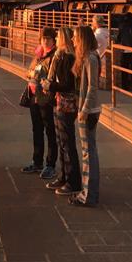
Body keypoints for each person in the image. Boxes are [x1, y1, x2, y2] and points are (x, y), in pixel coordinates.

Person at [41, 27, 80, 196]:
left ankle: (73, 181)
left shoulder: (68, 57)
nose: (55, 38)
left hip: (66, 103)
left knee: (67, 142)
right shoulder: (60, 55)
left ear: (63, 38)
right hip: (59, 102)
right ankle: (64, 176)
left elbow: (67, 84)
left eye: (57, 36)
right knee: (61, 140)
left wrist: (50, 86)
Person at [20, 27, 58, 179]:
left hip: (46, 97)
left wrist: (39, 76)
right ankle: (37, 162)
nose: (45, 41)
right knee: (37, 129)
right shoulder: (38, 55)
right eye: (43, 38)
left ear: (53, 40)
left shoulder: (54, 56)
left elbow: (53, 76)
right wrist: (31, 74)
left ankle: (50, 164)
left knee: (50, 130)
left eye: (48, 38)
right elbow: (28, 72)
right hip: (33, 96)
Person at [70, 25, 101, 207]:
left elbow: (93, 87)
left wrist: (84, 109)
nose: (73, 40)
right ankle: (89, 192)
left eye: (75, 37)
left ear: (82, 39)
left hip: (88, 112)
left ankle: (89, 195)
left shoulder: (90, 58)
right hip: (87, 110)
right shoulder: (88, 57)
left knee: (88, 154)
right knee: (89, 152)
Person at [116, 13, 132, 90]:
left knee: (124, 69)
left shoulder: (122, 26)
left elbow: (119, 38)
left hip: (125, 50)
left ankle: (124, 86)